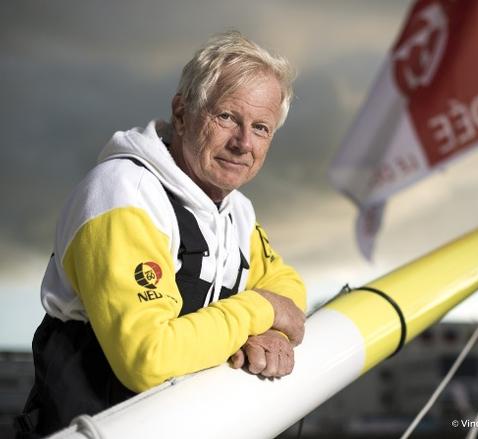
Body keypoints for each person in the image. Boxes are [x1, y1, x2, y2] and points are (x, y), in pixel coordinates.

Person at [14, 31, 306, 438]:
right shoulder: (124, 194)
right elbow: (148, 357)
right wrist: (260, 310)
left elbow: (287, 290)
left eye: (261, 128)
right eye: (226, 117)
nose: (243, 143)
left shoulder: (234, 210)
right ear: (182, 113)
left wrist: (271, 330)